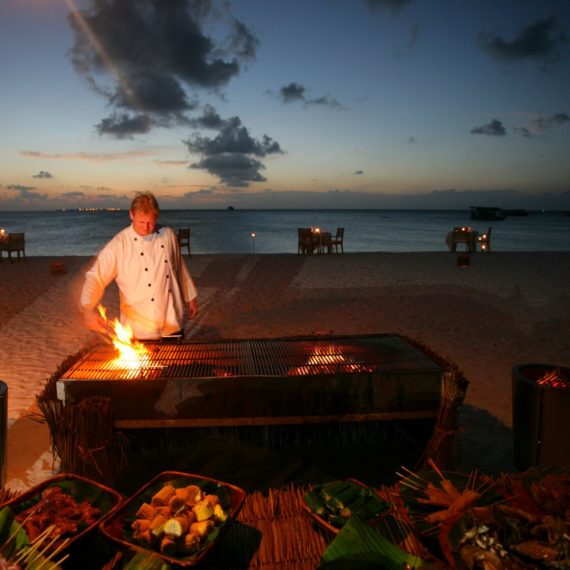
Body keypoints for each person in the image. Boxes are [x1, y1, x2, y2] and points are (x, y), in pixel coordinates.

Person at [80, 192, 198, 340]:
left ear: (157, 216)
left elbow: (179, 268)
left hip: (171, 322)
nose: (146, 228)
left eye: (150, 222)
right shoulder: (119, 245)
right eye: (141, 222)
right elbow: (96, 276)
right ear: (131, 215)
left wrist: (190, 298)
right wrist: (87, 308)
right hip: (137, 329)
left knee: (176, 362)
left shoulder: (168, 235)